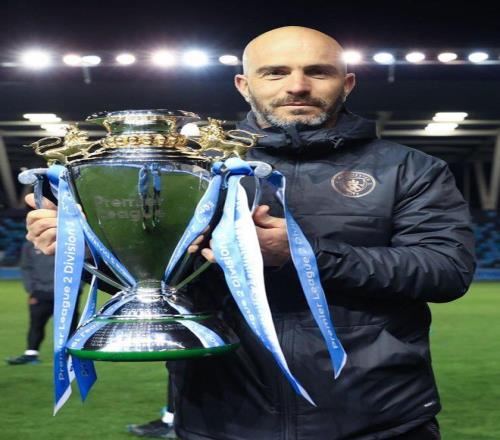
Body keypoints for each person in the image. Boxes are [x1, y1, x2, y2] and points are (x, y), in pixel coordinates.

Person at [25, 26, 475, 440]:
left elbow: (445, 270)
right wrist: (91, 250)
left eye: (317, 71)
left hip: (378, 420)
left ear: (348, 83)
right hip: (221, 419)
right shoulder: (192, 170)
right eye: (275, 72)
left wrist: (301, 253)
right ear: (244, 84)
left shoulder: (410, 169)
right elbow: (161, 278)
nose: (297, 86)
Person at [7, 240, 55, 365]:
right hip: (40, 292)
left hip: (65, 292)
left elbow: (80, 264)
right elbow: (26, 268)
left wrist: (76, 288)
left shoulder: (68, 241)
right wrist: (32, 290)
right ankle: (31, 354)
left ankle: (69, 356)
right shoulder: (29, 245)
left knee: (69, 325)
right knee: (36, 324)